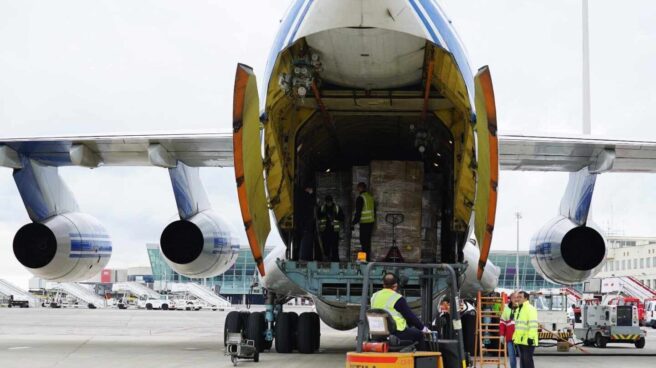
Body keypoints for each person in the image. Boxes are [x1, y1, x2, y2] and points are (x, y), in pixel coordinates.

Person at [371, 273, 429, 350]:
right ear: (395, 285)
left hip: (377, 333)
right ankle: (422, 360)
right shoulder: (397, 298)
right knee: (419, 335)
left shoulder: (374, 296)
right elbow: (410, 316)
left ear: (383, 284)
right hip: (395, 333)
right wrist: (423, 329)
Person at [513, 290, 539, 368]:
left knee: (527, 362)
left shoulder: (530, 309)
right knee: (523, 362)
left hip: (528, 340)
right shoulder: (518, 309)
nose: (518, 299)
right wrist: (515, 338)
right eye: (517, 297)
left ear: (526, 298)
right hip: (520, 340)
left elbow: (533, 324)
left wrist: (530, 338)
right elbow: (518, 326)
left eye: (520, 297)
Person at [317, 195, 344, 262]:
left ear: (332, 201)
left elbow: (342, 218)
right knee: (325, 246)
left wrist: (335, 218)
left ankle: (335, 260)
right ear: (325, 201)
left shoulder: (337, 208)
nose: (329, 203)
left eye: (330, 202)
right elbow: (318, 216)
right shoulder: (322, 208)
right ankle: (326, 259)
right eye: (327, 202)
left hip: (334, 230)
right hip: (325, 230)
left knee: (334, 246)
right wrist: (324, 215)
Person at [353, 182, 375, 261]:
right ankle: (367, 259)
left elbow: (358, 212)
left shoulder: (361, 198)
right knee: (367, 242)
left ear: (360, 188)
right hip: (371, 222)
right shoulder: (370, 197)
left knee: (363, 241)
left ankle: (363, 260)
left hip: (364, 223)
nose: (357, 189)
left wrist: (353, 222)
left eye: (358, 188)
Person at [500, 292, 519, 368]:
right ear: (510, 299)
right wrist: (501, 335)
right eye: (514, 297)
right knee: (511, 358)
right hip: (509, 337)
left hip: (520, 337)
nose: (516, 299)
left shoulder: (521, 308)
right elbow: (502, 323)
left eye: (517, 297)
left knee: (523, 358)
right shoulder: (506, 309)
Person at [298, 186, 317, 261]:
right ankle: (304, 257)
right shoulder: (306, 198)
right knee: (306, 241)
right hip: (306, 224)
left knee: (306, 241)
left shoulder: (303, 198)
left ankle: (304, 257)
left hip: (306, 224)